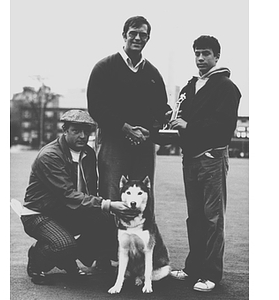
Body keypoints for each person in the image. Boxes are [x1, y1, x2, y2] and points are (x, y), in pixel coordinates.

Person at [87, 15, 172, 269]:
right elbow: (96, 106)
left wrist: (149, 131)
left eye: (143, 34)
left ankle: (147, 261)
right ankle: (105, 257)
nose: (137, 38)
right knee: (112, 195)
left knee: (144, 199)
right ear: (124, 35)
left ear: (148, 38)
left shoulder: (153, 73)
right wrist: (125, 128)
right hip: (113, 141)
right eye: (133, 33)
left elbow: (161, 109)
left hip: (143, 144)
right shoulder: (104, 67)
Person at [20, 110, 137, 285]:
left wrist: (110, 209)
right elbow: (68, 194)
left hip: (66, 210)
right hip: (39, 214)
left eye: (86, 131)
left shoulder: (88, 154)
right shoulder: (50, 156)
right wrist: (108, 204)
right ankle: (38, 257)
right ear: (65, 130)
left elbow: (89, 191)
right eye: (76, 130)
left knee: (106, 220)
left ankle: (69, 256)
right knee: (65, 245)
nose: (82, 136)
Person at [169, 35, 241, 292]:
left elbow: (224, 128)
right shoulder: (189, 87)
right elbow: (181, 120)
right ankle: (193, 268)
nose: (201, 58)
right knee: (195, 217)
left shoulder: (226, 87)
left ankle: (211, 274)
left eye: (206, 54)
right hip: (190, 159)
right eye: (197, 53)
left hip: (211, 158)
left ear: (217, 56)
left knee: (212, 219)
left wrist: (189, 126)